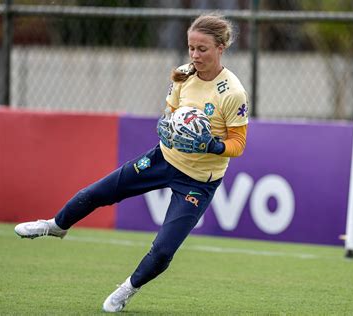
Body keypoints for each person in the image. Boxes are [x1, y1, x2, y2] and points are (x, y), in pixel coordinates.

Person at [14, 13, 249, 313]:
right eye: (191, 47)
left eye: (202, 49)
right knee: (97, 193)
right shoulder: (183, 74)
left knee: (164, 250)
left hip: (198, 182)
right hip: (164, 158)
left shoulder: (232, 92)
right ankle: (56, 225)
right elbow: (171, 114)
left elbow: (238, 145)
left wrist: (213, 145)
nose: (194, 54)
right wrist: (168, 124)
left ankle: (127, 289)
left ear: (221, 47)